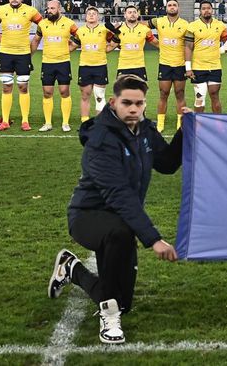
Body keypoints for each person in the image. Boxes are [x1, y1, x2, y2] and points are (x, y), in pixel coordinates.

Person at [46, 75, 184, 344]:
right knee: (120, 235)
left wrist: (184, 132)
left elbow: (166, 163)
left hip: (120, 217)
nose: (133, 109)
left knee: (125, 301)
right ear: (113, 102)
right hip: (88, 215)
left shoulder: (144, 129)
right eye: (127, 103)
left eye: (139, 103)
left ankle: (71, 268)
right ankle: (108, 316)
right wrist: (153, 239)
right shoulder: (100, 140)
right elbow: (118, 194)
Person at [0, 0, 42, 131]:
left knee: (23, 87)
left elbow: (44, 25)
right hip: (5, 53)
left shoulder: (31, 11)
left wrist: (35, 41)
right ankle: (5, 121)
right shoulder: (1, 10)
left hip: (23, 54)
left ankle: (25, 121)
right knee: (6, 87)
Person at [32, 0, 79, 132]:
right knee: (47, 93)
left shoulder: (69, 23)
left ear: (60, 9)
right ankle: (47, 123)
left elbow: (80, 37)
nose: (49, 11)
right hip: (47, 63)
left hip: (63, 63)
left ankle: (65, 123)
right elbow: (36, 40)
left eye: (52, 8)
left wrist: (72, 47)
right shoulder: (42, 24)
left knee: (64, 92)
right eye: (48, 8)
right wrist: (28, 57)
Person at [151, 0, 190, 131]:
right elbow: (142, 26)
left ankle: (180, 123)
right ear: (166, 8)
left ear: (178, 8)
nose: (172, 7)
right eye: (170, 5)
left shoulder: (185, 24)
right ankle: (160, 123)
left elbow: (190, 44)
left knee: (180, 94)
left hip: (180, 64)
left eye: (174, 5)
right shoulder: (159, 21)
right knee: (163, 93)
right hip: (164, 64)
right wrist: (153, 41)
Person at [184, 1, 227, 113]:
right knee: (200, 98)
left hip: (215, 67)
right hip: (199, 68)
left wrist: (222, 50)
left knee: (215, 96)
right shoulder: (192, 26)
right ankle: (198, 125)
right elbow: (188, 47)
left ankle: (217, 124)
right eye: (203, 8)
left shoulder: (220, 25)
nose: (206, 10)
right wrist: (188, 68)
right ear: (200, 11)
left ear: (212, 10)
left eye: (208, 8)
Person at [73, 6, 116, 123]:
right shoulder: (80, 31)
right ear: (85, 17)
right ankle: (85, 122)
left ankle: (99, 123)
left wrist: (115, 36)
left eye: (94, 13)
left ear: (98, 16)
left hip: (100, 66)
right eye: (89, 13)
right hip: (84, 66)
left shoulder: (104, 30)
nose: (91, 15)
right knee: (85, 95)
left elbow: (112, 44)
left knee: (99, 96)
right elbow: (72, 46)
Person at [110, 6, 157, 82]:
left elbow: (157, 43)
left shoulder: (145, 29)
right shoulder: (119, 29)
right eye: (130, 12)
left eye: (134, 12)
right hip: (123, 66)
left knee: (140, 93)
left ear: (137, 15)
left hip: (139, 66)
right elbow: (111, 46)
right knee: (122, 93)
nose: (132, 14)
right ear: (125, 15)